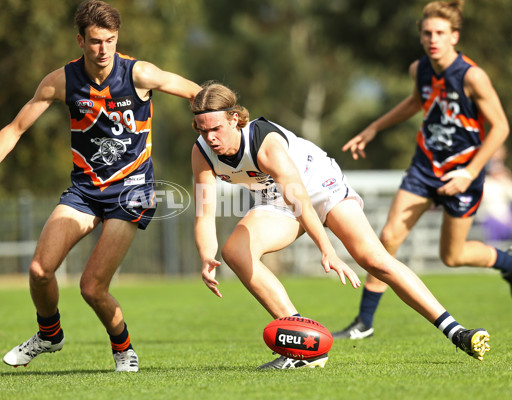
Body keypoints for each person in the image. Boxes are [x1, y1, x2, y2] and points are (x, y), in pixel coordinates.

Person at [0, 0, 201, 372]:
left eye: (110, 40)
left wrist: (227, 123)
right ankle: (49, 334)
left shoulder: (139, 74)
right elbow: (16, 128)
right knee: (40, 271)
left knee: (91, 287)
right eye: (94, 41)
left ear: (117, 38)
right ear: (80, 40)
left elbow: (197, 95)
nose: (103, 49)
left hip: (132, 190)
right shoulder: (61, 81)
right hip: (85, 190)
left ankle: (123, 350)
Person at [190, 81, 490, 370]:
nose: (211, 137)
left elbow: (304, 202)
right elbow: (204, 213)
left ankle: (457, 332)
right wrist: (206, 256)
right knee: (235, 252)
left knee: (374, 260)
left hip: (320, 186)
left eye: (216, 128)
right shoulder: (203, 153)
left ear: (234, 120)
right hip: (275, 200)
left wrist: (327, 249)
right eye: (203, 131)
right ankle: (304, 348)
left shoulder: (265, 145)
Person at [335, 0, 511, 341]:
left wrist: (468, 173)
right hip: (424, 166)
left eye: (441, 33)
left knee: (453, 255)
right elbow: (416, 102)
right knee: (387, 238)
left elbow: (501, 127)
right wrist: (373, 128)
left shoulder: (472, 76)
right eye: (427, 33)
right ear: (421, 37)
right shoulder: (421, 70)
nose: (433, 39)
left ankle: (508, 263)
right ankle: (364, 323)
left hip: (463, 172)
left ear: (454, 36)